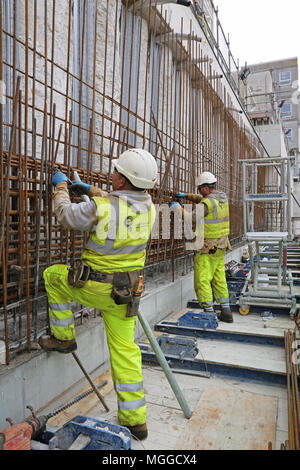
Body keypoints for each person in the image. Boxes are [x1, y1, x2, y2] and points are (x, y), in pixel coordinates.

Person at [38, 148, 158, 440]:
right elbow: (122, 200)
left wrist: (62, 187)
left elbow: (66, 216)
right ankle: (135, 421)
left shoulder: (101, 208)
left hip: (96, 288)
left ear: (121, 180)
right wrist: (90, 189)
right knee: (125, 351)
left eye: (115, 171)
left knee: (52, 276)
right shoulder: (151, 207)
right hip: (127, 293)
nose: (112, 173)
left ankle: (63, 338)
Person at [171, 171, 233, 323]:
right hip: (221, 245)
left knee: (202, 279)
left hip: (207, 247)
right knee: (219, 278)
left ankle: (209, 313)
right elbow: (203, 201)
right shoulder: (221, 198)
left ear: (205, 188)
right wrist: (187, 196)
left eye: (199, 188)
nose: (199, 191)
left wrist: (177, 208)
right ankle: (226, 311)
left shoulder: (207, 204)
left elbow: (191, 218)